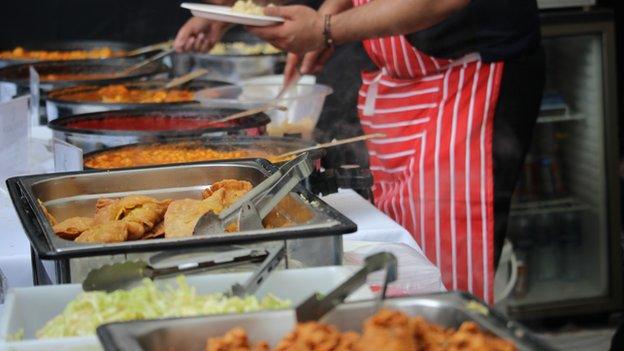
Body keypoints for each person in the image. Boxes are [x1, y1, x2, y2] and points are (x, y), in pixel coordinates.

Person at [176, 0, 545, 304]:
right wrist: (326, 17)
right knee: (404, 244)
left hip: (471, 79)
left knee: (445, 262)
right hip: (401, 85)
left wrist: (325, 29)